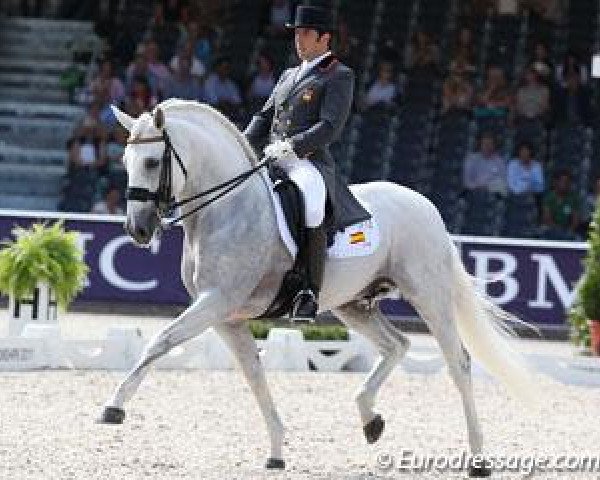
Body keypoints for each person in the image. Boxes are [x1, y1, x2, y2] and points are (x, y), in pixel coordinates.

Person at [244, 3, 370, 319]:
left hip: (307, 162)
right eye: (297, 33)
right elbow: (263, 117)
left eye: (306, 34)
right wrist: (241, 149)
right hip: (271, 156)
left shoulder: (339, 75)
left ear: (324, 38)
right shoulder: (288, 75)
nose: (299, 40)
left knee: (312, 199)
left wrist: (292, 146)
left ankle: (309, 290)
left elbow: (330, 126)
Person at [542, 170, 580, 239]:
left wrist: (569, 231)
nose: (565, 184)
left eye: (567, 182)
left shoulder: (573, 198)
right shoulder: (549, 197)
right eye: (562, 181)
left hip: (568, 231)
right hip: (551, 230)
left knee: (578, 239)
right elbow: (547, 218)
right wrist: (558, 231)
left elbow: (575, 220)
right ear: (555, 182)